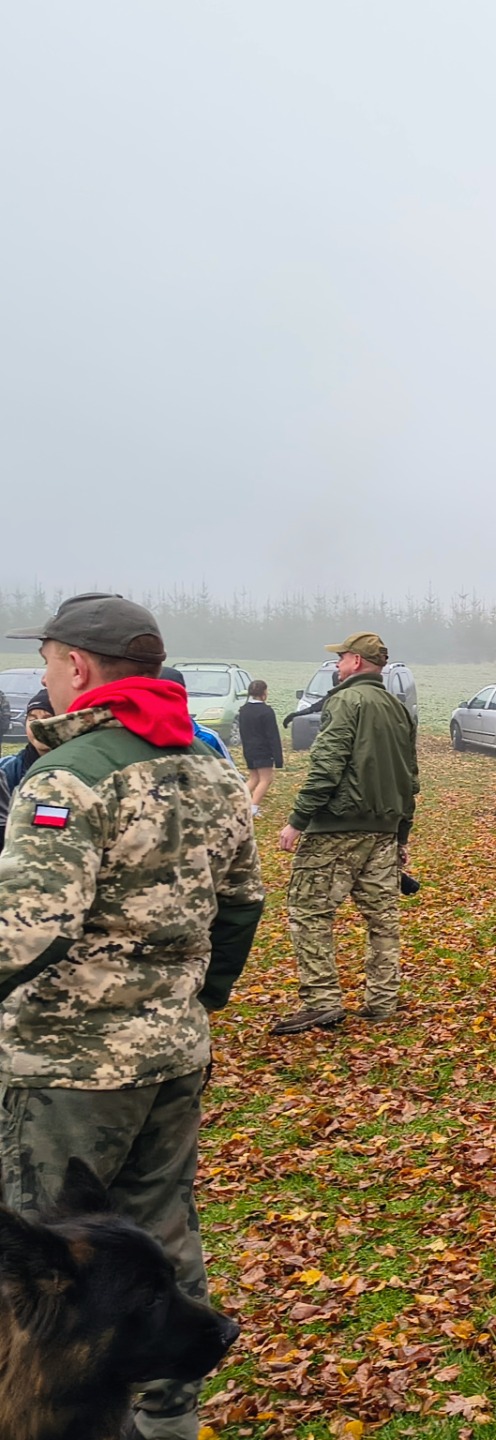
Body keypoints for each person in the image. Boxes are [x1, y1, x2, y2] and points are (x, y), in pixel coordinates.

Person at [0, 593, 262, 1440]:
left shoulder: (68, 775)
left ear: (76, 666)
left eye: (47, 661)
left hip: (66, 1068)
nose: (46, 675)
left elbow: (27, 929)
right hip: (174, 1054)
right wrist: (196, 998)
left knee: (41, 1281)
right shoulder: (211, 767)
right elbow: (243, 902)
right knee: (163, 1237)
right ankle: (168, 1419)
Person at [271, 633, 420, 1034]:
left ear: (355, 661)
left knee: (308, 911)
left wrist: (298, 820)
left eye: (340, 659)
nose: (337, 666)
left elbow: (327, 765)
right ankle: (382, 1000)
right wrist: (401, 834)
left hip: (336, 828)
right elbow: (410, 777)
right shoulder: (399, 709)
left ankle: (322, 1001)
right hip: (383, 831)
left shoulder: (344, 701)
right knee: (382, 919)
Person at [0, 688, 55, 852]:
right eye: (32, 719)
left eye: (47, 718)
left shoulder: (76, 771)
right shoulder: (7, 770)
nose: (38, 725)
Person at [236, 678, 283, 814]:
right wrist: (278, 758)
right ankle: (253, 808)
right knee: (265, 779)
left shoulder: (243, 710)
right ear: (264, 693)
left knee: (254, 778)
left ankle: (237, 803)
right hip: (263, 750)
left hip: (249, 749)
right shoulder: (266, 711)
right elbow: (272, 735)